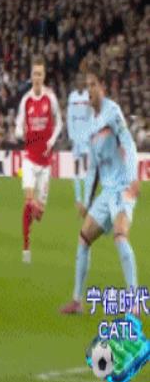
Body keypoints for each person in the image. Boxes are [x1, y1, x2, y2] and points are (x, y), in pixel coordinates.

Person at [61, 61, 139, 314]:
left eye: (93, 85)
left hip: (122, 187)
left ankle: (134, 302)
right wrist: (86, 200)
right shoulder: (91, 124)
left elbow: (128, 143)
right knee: (84, 238)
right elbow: (93, 168)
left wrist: (133, 178)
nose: (90, 91)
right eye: (87, 86)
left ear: (103, 87)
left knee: (120, 236)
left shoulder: (112, 112)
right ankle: (76, 301)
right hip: (107, 192)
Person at [15, 55, 63, 264]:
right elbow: (18, 126)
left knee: (39, 213)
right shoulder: (25, 100)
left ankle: (36, 208)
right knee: (28, 201)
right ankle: (26, 248)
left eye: (40, 74)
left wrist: (52, 140)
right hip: (29, 159)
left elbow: (59, 123)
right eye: (34, 74)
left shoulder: (50, 98)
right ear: (31, 75)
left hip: (45, 162)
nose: (37, 77)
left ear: (44, 76)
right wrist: (20, 133)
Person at [67, 72, 93, 206]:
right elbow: (69, 116)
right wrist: (71, 135)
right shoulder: (72, 96)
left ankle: (87, 197)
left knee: (86, 165)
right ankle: (78, 198)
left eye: (82, 80)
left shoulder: (88, 96)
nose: (80, 82)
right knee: (76, 166)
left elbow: (91, 115)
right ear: (76, 82)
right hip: (75, 132)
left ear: (84, 82)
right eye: (78, 80)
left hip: (85, 132)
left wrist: (90, 133)